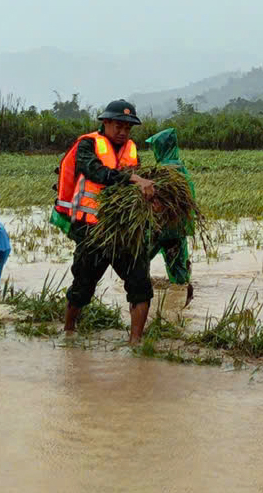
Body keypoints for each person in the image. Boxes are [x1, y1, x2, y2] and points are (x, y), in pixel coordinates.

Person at [55, 100, 157, 345]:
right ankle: (68, 333)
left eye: (128, 128)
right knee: (83, 286)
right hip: (92, 230)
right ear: (106, 123)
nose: (123, 132)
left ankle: (135, 344)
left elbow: (138, 187)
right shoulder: (88, 145)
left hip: (124, 230)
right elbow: (95, 172)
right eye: (118, 126)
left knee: (141, 285)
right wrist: (132, 178)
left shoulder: (131, 149)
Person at [145, 128, 194, 304]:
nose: (154, 151)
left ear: (162, 147)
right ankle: (182, 300)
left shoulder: (165, 171)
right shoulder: (180, 167)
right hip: (178, 227)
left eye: (155, 147)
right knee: (179, 270)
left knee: (140, 261)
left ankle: (143, 297)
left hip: (162, 227)